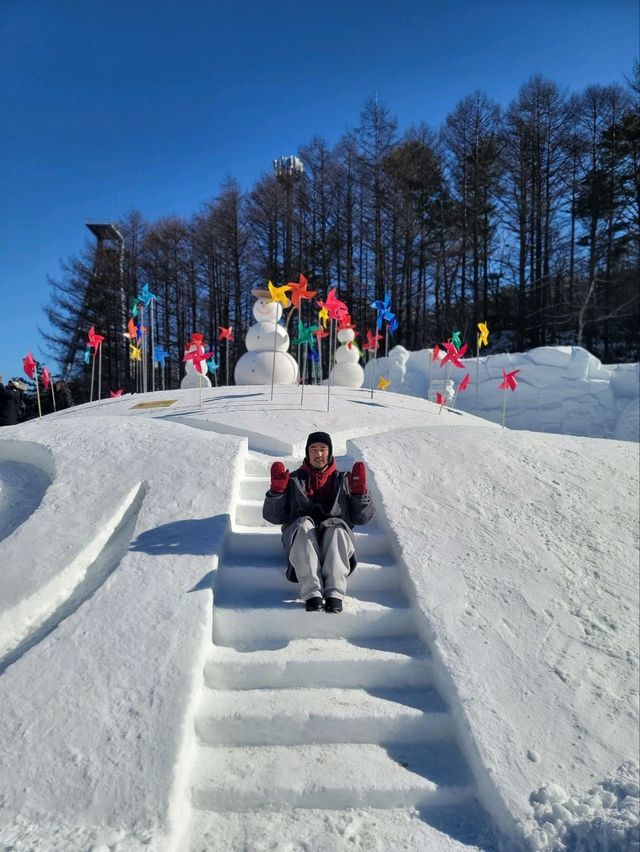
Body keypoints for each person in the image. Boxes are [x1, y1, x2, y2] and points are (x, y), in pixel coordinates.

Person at [262, 431, 374, 613]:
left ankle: (334, 593)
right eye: (313, 449)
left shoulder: (344, 480)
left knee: (336, 527)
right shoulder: (293, 480)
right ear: (307, 453)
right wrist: (277, 492)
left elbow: (361, 518)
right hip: (302, 539)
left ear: (329, 452)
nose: (318, 454)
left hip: (336, 540)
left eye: (323, 449)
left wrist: (360, 493)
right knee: (304, 524)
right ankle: (312, 593)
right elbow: (274, 517)